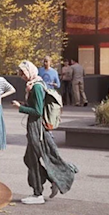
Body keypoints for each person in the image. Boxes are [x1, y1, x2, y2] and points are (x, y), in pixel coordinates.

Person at [13, 60, 78, 204]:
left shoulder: (36, 87)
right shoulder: (36, 84)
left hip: (36, 128)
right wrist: (24, 105)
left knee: (33, 159)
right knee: (32, 158)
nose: (21, 75)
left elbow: (37, 111)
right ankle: (54, 179)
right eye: (20, 72)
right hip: (37, 127)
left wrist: (20, 107)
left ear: (30, 71)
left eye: (23, 72)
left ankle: (38, 193)